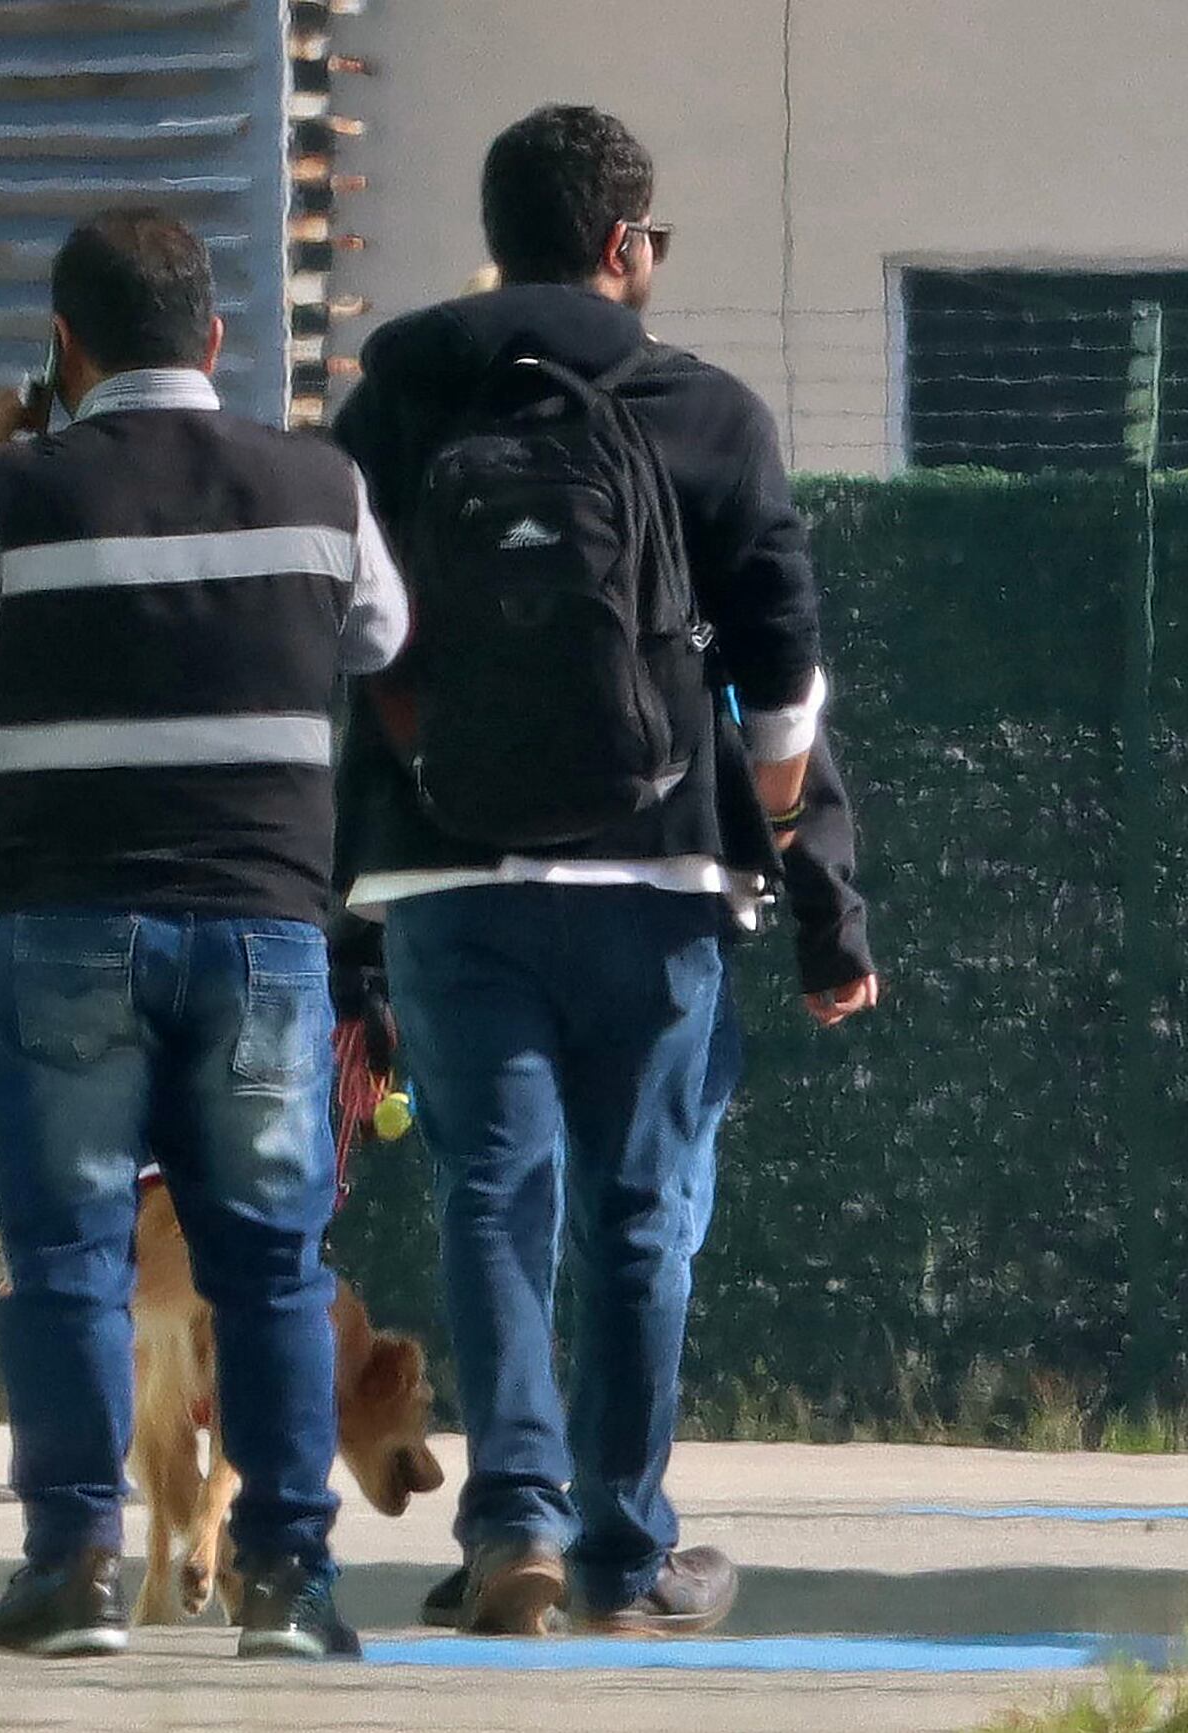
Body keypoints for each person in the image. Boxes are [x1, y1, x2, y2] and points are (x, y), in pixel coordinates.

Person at [329, 105, 879, 1638]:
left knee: (492, 1192)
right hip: (656, 878)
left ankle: (513, 1527)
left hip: (446, 875)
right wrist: (768, 850)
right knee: (638, 1209)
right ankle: (630, 1548)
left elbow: (351, 627)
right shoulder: (703, 411)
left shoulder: (394, 403)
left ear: (498, 233)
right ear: (626, 246)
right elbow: (783, 691)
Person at [0, 207, 409, 1661]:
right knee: (274, 1264)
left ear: (63, 346)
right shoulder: (321, 483)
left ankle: (75, 1569)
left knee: (67, 1259)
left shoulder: (12, 491)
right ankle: (287, 1582)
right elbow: (384, 638)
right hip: (264, 940)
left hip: (63, 932)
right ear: (218, 343)